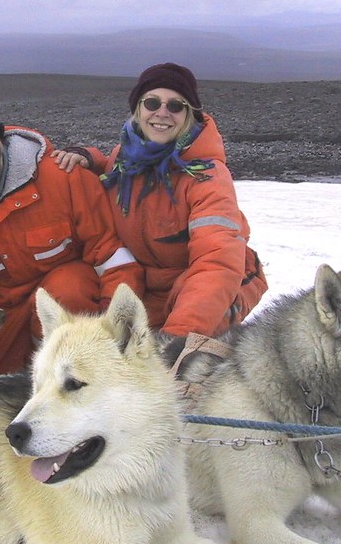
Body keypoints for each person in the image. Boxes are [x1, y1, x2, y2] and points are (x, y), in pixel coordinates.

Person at [0, 98, 144, 377]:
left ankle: (56, 377)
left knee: (66, 289)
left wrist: (112, 326)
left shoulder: (63, 179)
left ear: (0, 140)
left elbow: (111, 256)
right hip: (4, 308)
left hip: (71, 301)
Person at [53, 63, 267, 338]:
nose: (162, 113)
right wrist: (90, 160)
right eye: (152, 102)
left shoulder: (206, 177)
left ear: (190, 114)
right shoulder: (125, 158)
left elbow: (217, 262)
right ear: (138, 110)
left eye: (176, 106)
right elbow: (112, 176)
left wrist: (176, 338)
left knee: (182, 361)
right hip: (145, 287)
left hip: (206, 288)